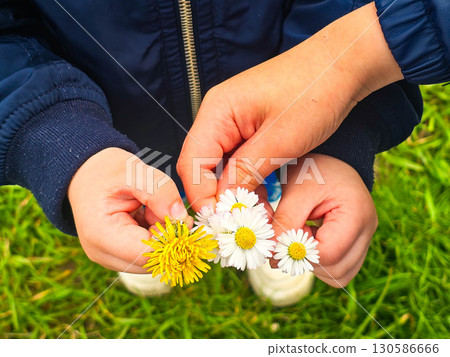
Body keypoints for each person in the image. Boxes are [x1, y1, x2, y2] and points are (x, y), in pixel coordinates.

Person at [0, 0, 448, 306]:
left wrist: (341, 130)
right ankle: (154, 238)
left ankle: (286, 238)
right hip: (119, 110)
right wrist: (67, 142)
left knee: (278, 183)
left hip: (284, 106)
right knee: (152, 183)